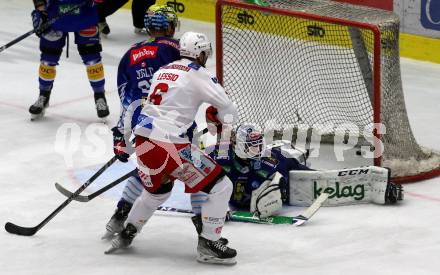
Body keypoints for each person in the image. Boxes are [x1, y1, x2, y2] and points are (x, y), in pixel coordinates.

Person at [106, 31, 239, 265]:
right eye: (205, 52)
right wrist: (218, 121)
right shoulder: (199, 74)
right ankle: (209, 243)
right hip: (169, 143)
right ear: (199, 53)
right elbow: (229, 109)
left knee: (158, 191)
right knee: (221, 185)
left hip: (144, 139)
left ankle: (127, 233)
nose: (206, 56)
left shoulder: (163, 70)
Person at [191, 123, 404, 219]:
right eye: (252, 146)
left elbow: (322, 180)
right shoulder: (222, 156)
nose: (258, 150)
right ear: (239, 147)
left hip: (286, 155)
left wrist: (378, 184)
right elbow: (192, 163)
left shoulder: (273, 161)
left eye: (258, 145)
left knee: (292, 167)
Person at [102, 4, 180, 240]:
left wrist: (120, 134)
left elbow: (126, 97)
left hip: (139, 122)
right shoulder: (175, 49)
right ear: (168, 26)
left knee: (149, 168)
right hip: (171, 123)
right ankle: (206, 233)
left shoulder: (129, 55)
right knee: (184, 173)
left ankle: (120, 214)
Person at [30, 0, 109, 120]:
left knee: (92, 58)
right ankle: (44, 95)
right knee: (48, 58)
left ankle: (99, 96)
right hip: (55, 15)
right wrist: (40, 10)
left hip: (85, 16)